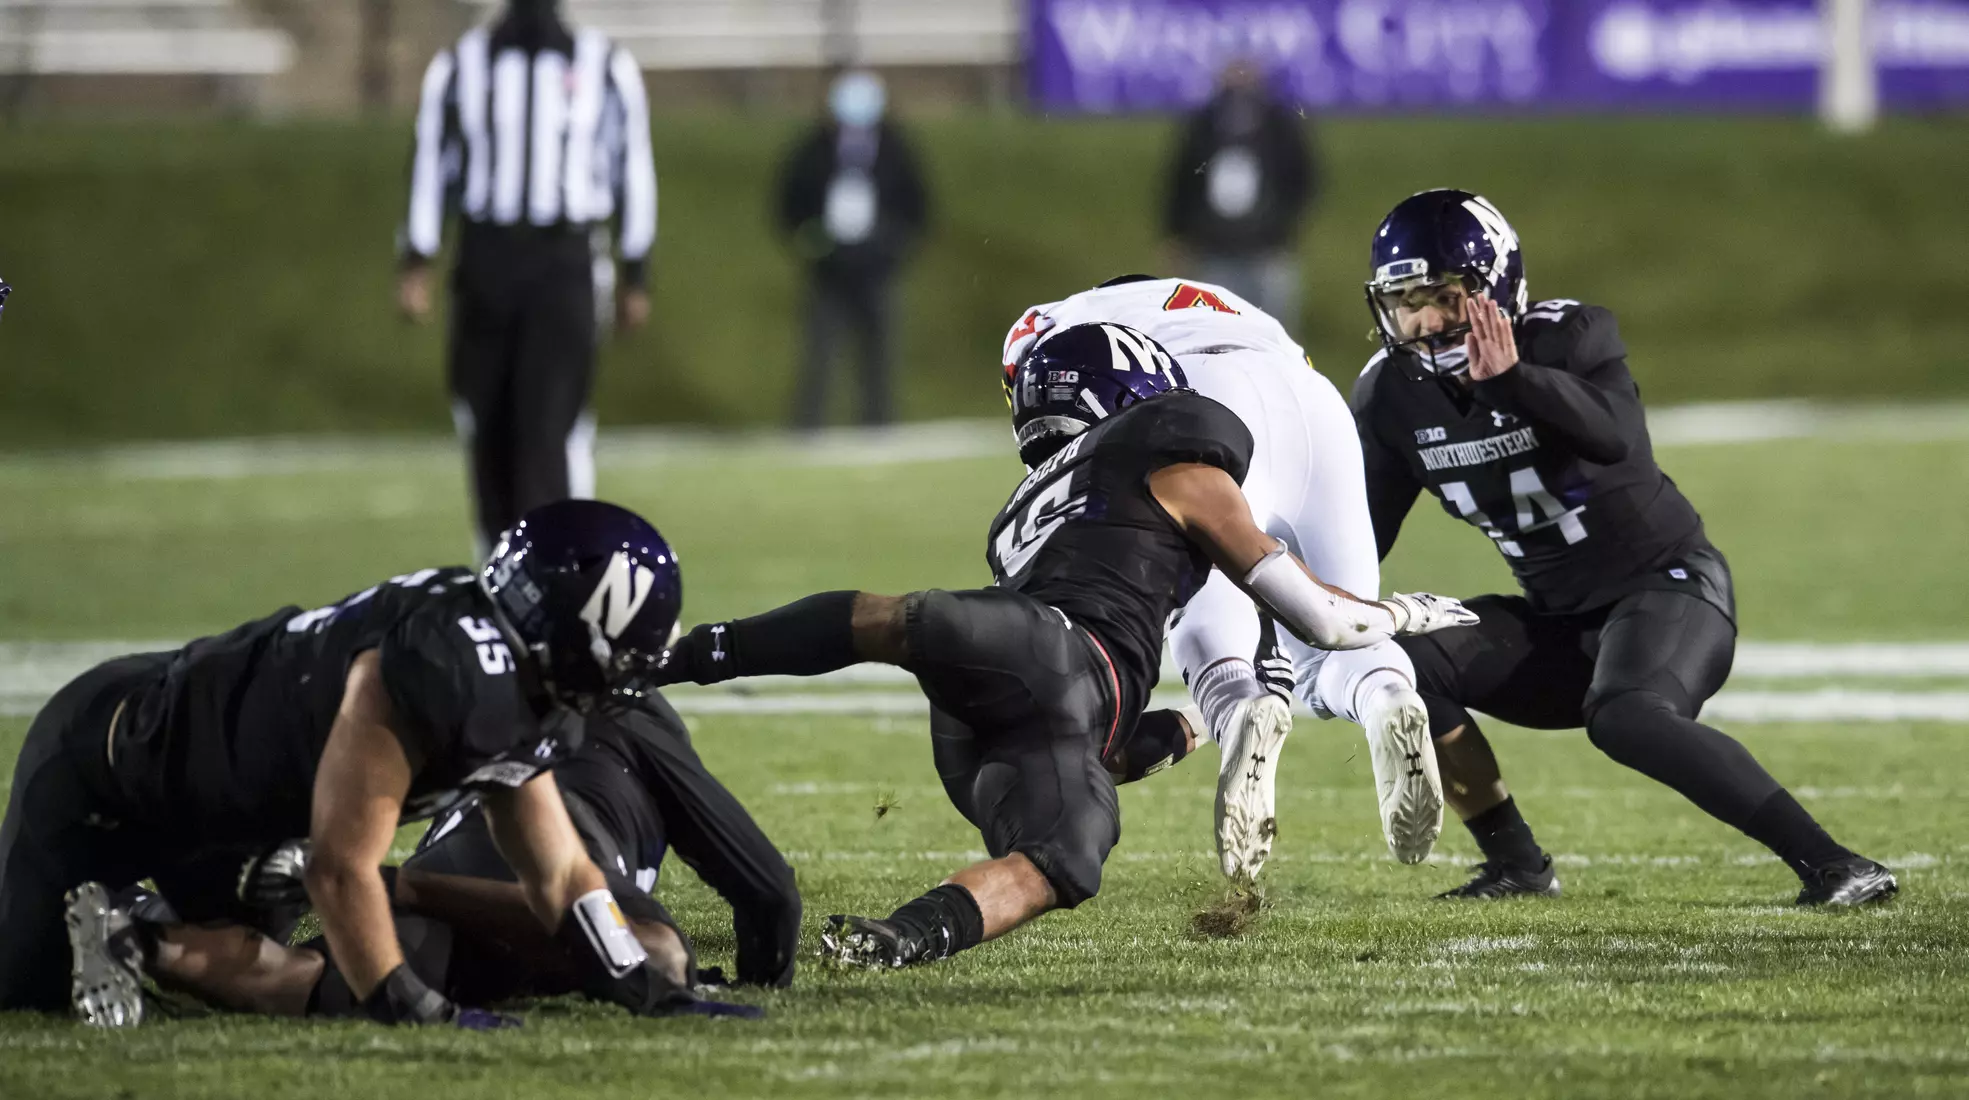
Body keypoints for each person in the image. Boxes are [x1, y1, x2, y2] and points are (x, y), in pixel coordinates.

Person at [646, 322, 1475, 968]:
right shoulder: (1175, 448)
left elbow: (1090, 725)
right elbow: (1318, 618)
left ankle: (890, 932)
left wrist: (1188, 729)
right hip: (1064, 662)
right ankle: (899, 933)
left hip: (1005, 702)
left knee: (1053, 831)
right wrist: (1400, 615)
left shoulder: (1026, 503)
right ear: (1138, 385)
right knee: (1056, 859)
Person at [1328, 188, 1896, 906]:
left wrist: (1513, 382)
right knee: (1397, 664)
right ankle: (1517, 866)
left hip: (1666, 589)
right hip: (1560, 625)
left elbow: (1613, 436)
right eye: (1405, 300)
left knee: (1626, 715)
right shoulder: (1388, 398)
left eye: (1442, 295)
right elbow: (1360, 538)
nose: (1424, 319)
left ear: (1492, 289)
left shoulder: (1567, 336)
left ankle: (1836, 864)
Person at [5, 500, 734, 1026]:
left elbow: (561, 874)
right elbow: (339, 868)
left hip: (227, 811)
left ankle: (125, 920)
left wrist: (639, 983)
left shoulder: (512, 675)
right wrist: (409, 1005)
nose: (634, 674)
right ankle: (101, 902)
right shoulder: (443, 669)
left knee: (234, 958)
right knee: (23, 994)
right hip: (107, 766)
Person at [1002, 277, 1442, 882]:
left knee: (1204, 610)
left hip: (1201, 400)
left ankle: (1239, 708)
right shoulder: (1221, 296)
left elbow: (1064, 406)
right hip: (1314, 401)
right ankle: (1389, 695)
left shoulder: (1052, 321)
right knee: (1334, 631)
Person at [74, 687, 791, 1021]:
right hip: (527, 864)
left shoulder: (488, 705)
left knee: (323, 985)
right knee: (656, 957)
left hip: (460, 860)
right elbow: (766, 891)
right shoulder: (630, 717)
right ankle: (402, 889)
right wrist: (766, 975)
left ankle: (140, 937)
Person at [397, 0, 658, 555]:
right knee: (484, 421)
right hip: (486, 253)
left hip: (564, 257)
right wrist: (417, 257)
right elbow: (432, 161)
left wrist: (637, 269)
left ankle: (568, 576)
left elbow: (630, 164)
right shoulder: (461, 64)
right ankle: (496, 573)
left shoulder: (604, 64)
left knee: (551, 428)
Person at [775, 69, 929, 429]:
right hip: (829, 267)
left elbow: (917, 206)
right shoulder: (814, 148)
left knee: (879, 355)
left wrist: (891, 244)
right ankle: (807, 426)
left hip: (876, 266)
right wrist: (808, 239)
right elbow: (788, 202)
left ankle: (878, 425)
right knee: (820, 351)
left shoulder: (896, 148)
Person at [1163, 62, 1317, 335]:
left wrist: (1284, 224)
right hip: (1216, 250)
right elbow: (1182, 181)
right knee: (1218, 332)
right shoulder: (1203, 126)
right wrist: (1178, 235)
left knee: (1274, 332)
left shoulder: (1278, 125)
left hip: (1266, 248)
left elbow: (1301, 177)